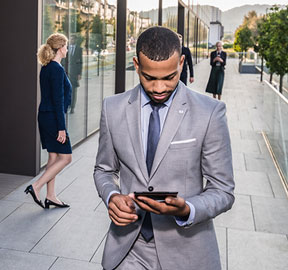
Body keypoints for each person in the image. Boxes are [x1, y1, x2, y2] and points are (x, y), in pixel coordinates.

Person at [93, 26, 234, 270]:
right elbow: (103, 170)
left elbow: (223, 190)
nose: (159, 89)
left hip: (187, 252)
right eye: (149, 78)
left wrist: (187, 209)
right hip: (128, 249)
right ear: (136, 65)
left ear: (181, 62)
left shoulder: (210, 112)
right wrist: (111, 196)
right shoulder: (112, 108)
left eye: (169, 77)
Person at [25, 33, 72, 209]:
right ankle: (36, 187)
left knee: (54, 156)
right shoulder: (56, 69)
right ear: (60, 48)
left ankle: (51, 196)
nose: (67, 49)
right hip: (53, 118)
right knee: (66, 157)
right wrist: (61, 128)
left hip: (45, 116)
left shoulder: (47, 67)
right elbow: (57, 100)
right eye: (66, 46)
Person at [65, 34, 83, 114]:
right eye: (70, 39)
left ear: (75, 40)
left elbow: (80, 62)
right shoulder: (66, 48)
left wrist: (79, 73)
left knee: (73, 91)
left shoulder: (79, 49)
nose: (71, 40)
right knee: (66, 90)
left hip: (74, 73)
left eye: (73, 39)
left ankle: (72, 107)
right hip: (66, 73)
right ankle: (66, 105)